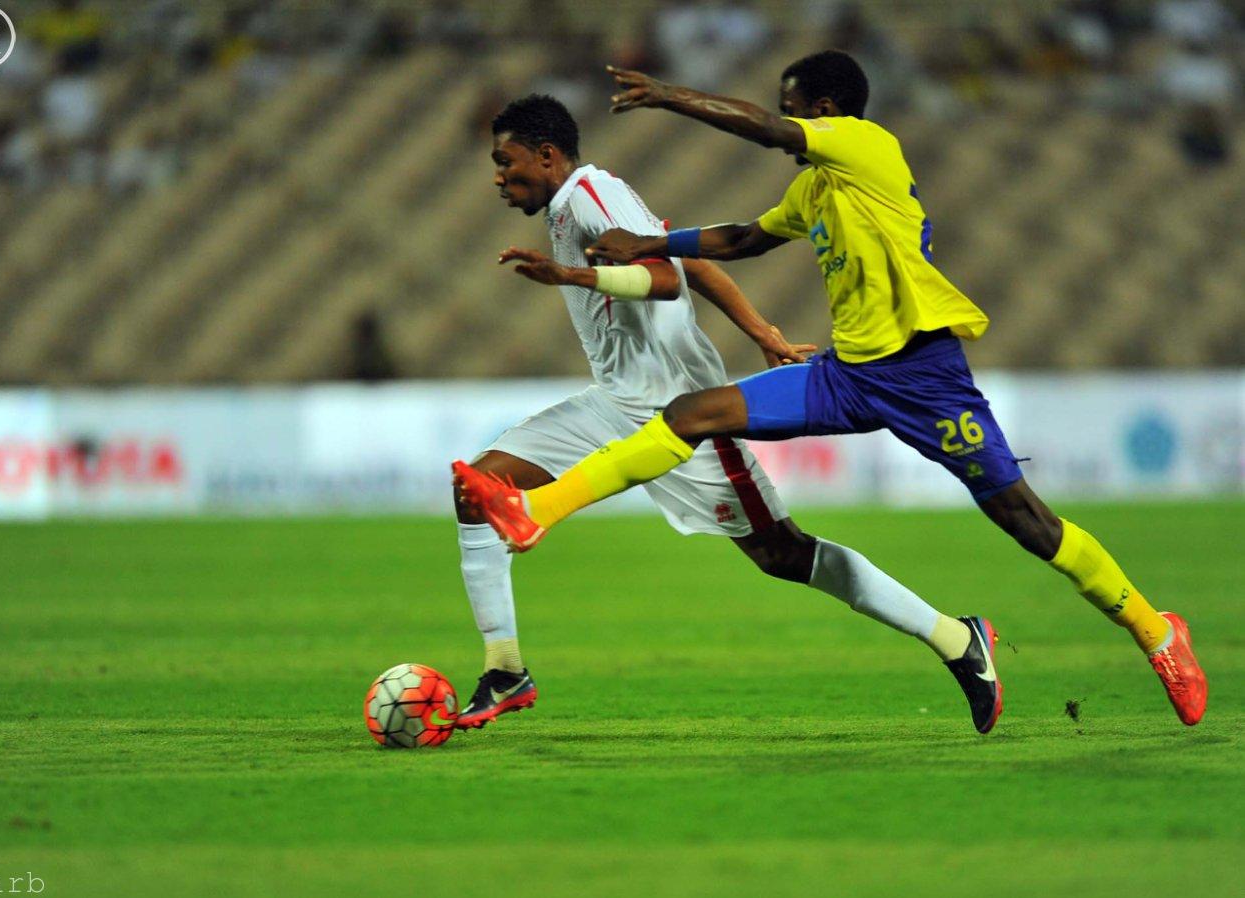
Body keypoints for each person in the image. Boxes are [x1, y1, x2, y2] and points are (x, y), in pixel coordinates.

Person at [458, 57, 1208, 727]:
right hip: (847, 375)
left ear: (824, 109)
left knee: (1027, 524)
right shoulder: (817, 189)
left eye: (796, 106)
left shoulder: (865, 144)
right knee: (692, 415)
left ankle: (1154, 631)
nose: (790, 119)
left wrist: (670, 98)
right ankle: (537, 517)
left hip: (925, 379)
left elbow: (761, 130)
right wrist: (661, 245)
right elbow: (741, 240)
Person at [451, 94, 1006, 734]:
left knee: (784, 555)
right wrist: (762, 329)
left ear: (546, 156)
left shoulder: (586, 193)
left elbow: (661, 278)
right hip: (612, 403)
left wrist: (573, 278)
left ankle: (955, 638)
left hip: (679, 414)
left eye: (505, 161)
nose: (497, 176)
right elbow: (691, 264)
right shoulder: (573, 206)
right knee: (479, 488)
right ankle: (505, 670)